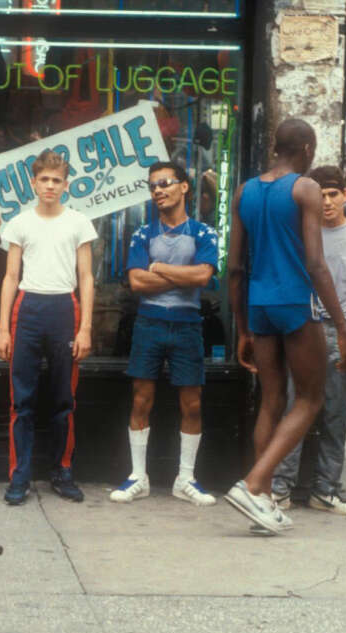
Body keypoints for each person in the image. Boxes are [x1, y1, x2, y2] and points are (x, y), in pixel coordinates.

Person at [225, 118, 346, 535]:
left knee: (272, 400)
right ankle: (254, 484)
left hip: (258, 304)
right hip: (295, 302)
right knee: (311, 398)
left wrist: (242, 328)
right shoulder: (305, 187)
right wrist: (343, 327)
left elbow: (233, 268)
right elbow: (316, 263)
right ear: (306, 149)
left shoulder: (245, 190)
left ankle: (262, 503)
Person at [271, 166, 346, 516]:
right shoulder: (300, 235)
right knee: (296, 409)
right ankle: (280, 488)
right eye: (320, 195)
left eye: (333, 194)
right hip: (305, 326)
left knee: (337, 413)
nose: (327, 202)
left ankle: (325, 489)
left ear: (345, 196)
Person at [109, 161, 218, 508]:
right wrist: (181, 274)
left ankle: (185, 478)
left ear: (184, 187)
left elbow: (203, 278)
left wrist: (157, 267)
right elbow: (137, 282)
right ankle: (138, 476)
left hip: (187, 324)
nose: (157, 190)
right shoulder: (143, 234)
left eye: (165, 183)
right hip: (149, 323)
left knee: (193, 402)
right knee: (141, 398)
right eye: (153, 186)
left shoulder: (204, 233)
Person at [0, 149, 97, 506]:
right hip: (28, 307)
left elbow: (86, 277)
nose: (50, 186)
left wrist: (85, 328)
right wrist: (3, 329)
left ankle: (61, 470)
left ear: (66, 185)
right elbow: (10, 277)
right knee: (20, 401)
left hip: (63, 308)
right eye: (44, 180)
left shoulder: (78, 222)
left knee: (62, 398)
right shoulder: (20, 223)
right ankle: (19, 474)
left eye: (57, 180)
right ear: (34, 183)